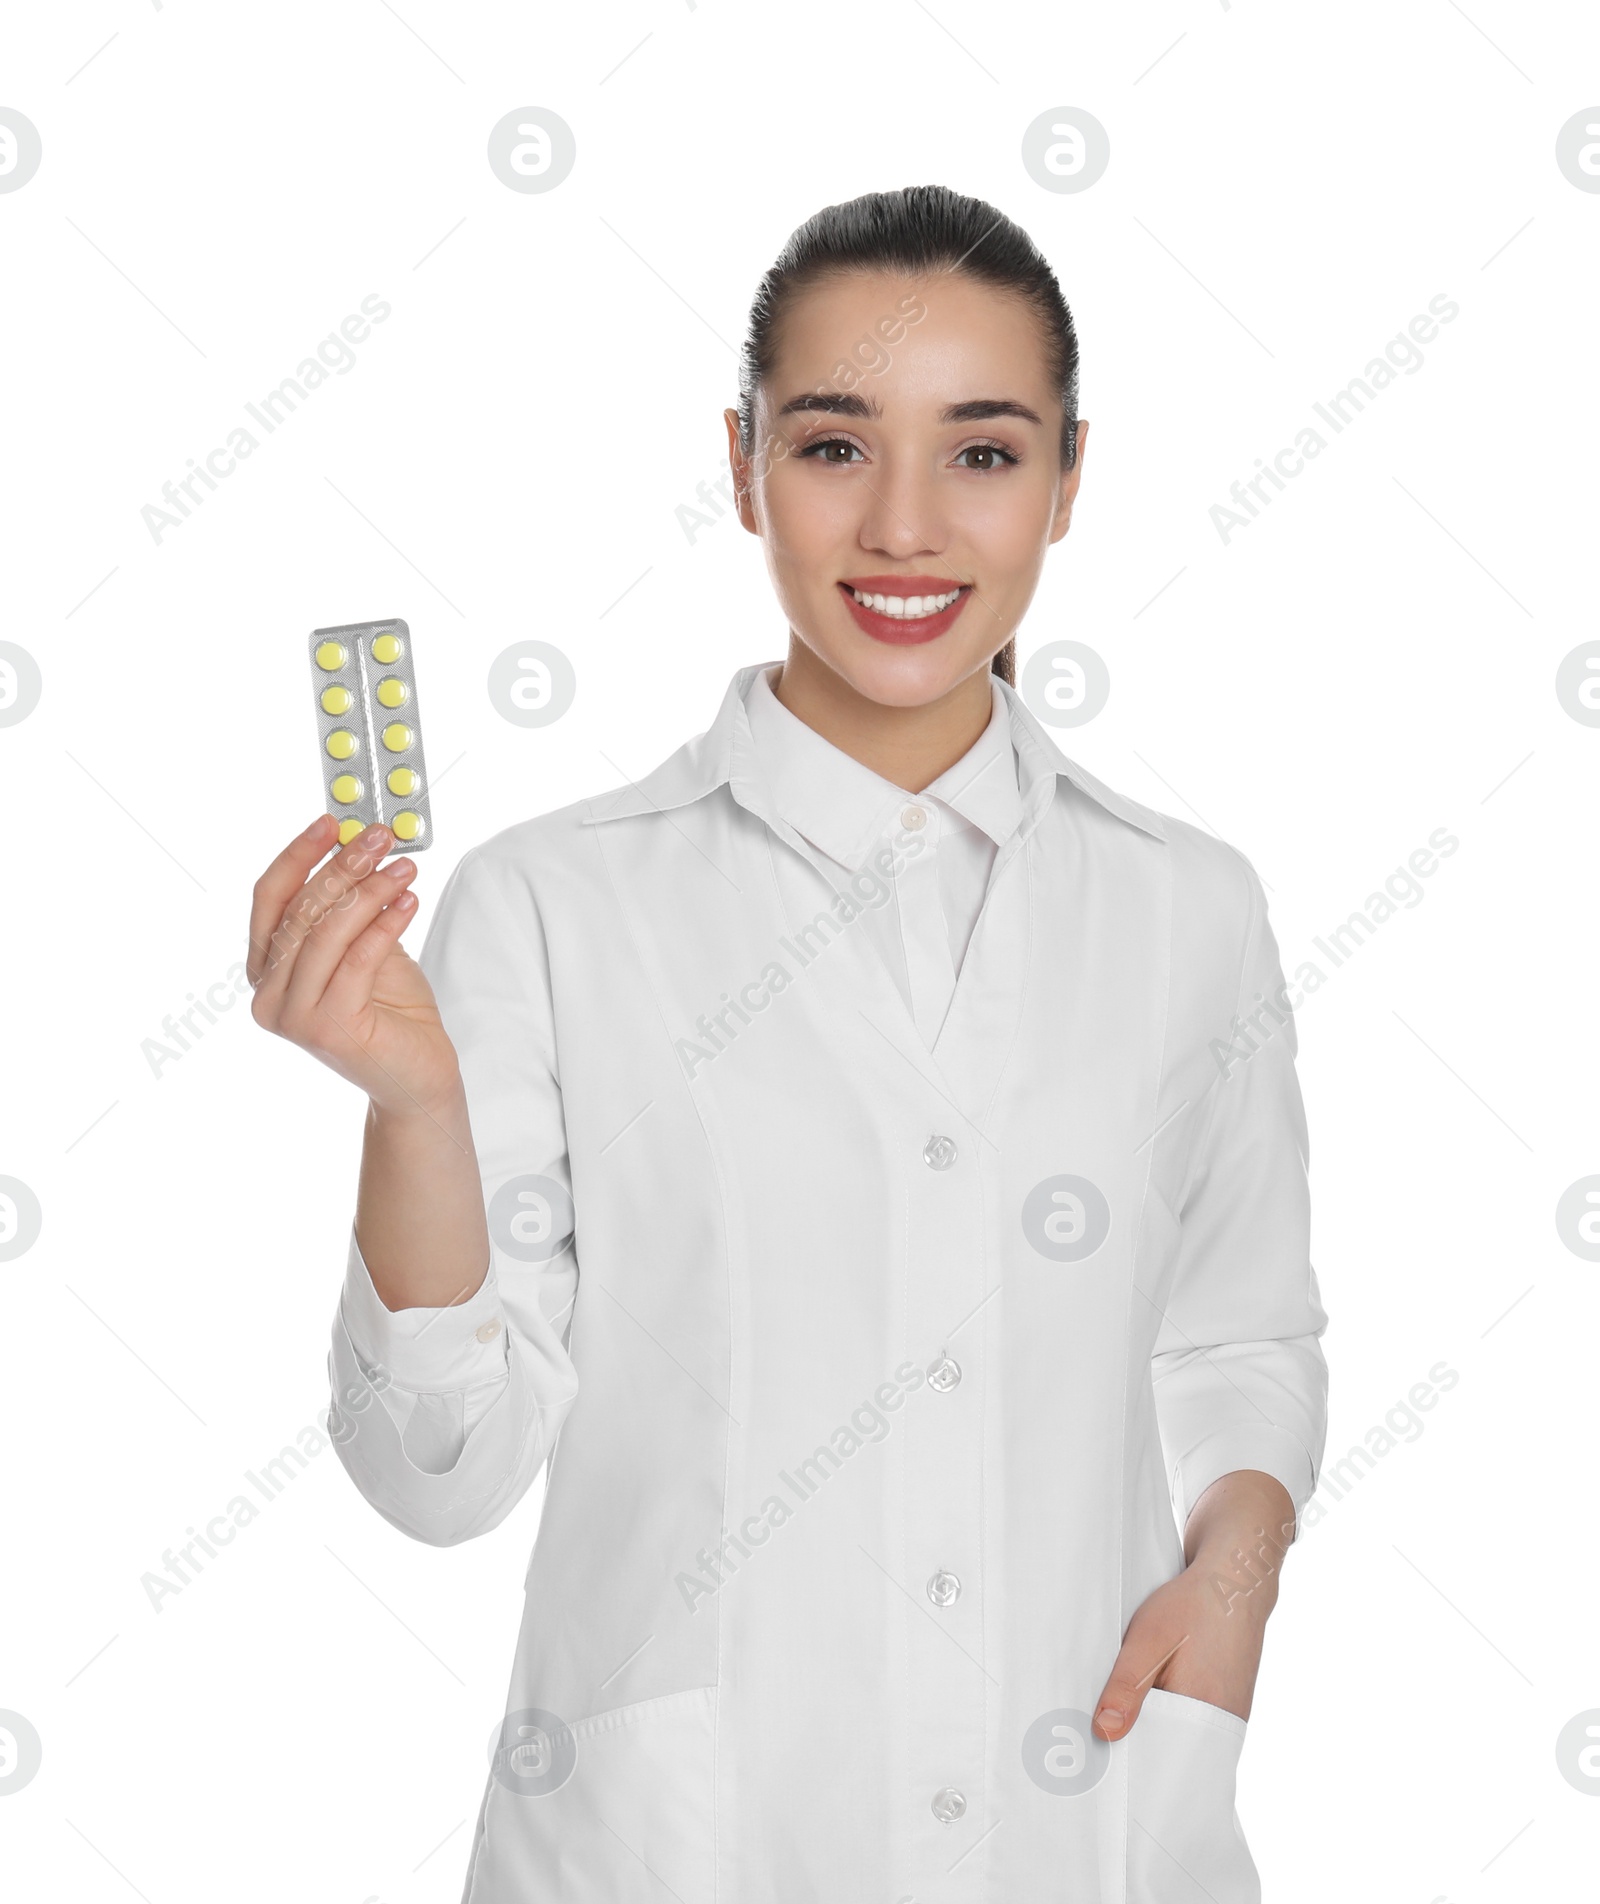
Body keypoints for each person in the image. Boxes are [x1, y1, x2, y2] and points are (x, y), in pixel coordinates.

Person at [247, 183, 1329, 1902]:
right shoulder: (551, 905)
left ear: (1068, 476)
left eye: (982, 453)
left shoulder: (1190, 910)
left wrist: (1238, 1568)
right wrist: (414, 1111)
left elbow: (1240, 1337)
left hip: (1093, 1829)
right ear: (743, 464)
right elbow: (437, 1481)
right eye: (835, 447)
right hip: (678, 1853)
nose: (905, 527)